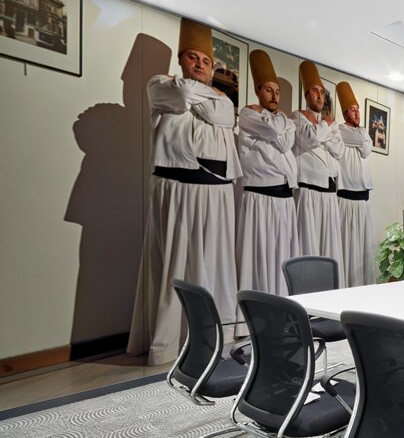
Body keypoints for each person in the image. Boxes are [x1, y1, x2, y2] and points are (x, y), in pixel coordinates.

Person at [127, 19, 241, 365]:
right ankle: (168, 345)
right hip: (176, 187)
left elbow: (223, 114)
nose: (200, 65)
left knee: (215, 263)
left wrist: (200, 97)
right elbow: (181, 96)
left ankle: (213, 336)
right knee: (176, 262)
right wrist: (199, 94)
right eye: (193, 58)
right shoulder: (159, 84)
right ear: (180, 60)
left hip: (217, 191)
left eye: (206, 61)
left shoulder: (224, 99)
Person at [235, 49, 299, 309]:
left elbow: (283, 141)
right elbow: (275, 131)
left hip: (285, 197)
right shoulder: (248, 114)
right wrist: (273, 125)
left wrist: (276, 126)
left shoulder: (287, 120)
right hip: (259, 195)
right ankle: (257, 309)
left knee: (283, 255)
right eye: (269, 91)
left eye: (277, 91)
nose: (274, 96)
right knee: (258, 256)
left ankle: (284, 306)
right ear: (258, 91)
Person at [293, 61, 345, 275]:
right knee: (310, 245)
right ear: (306, 95)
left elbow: (339, 150)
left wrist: (324, 129)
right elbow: (311, 138)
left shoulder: (328, 124)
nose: (319, 96)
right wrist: (326, 127)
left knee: (330, 247)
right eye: (314, 91)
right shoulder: (297, 116)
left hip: (329, 193)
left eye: (322, 92)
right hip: (309, 191)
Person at [335, 81, 375, 287]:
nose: (357, 113)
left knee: (364, 249)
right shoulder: (340, 130)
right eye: (353, 110)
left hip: (363, 199)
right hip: (346, 199)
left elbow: (367, 149)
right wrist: (363, 138)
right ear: (344, 113)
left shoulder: (362, 132)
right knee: (348, 247)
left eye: (358, 110)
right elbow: (361, 141)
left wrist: (363, 138)